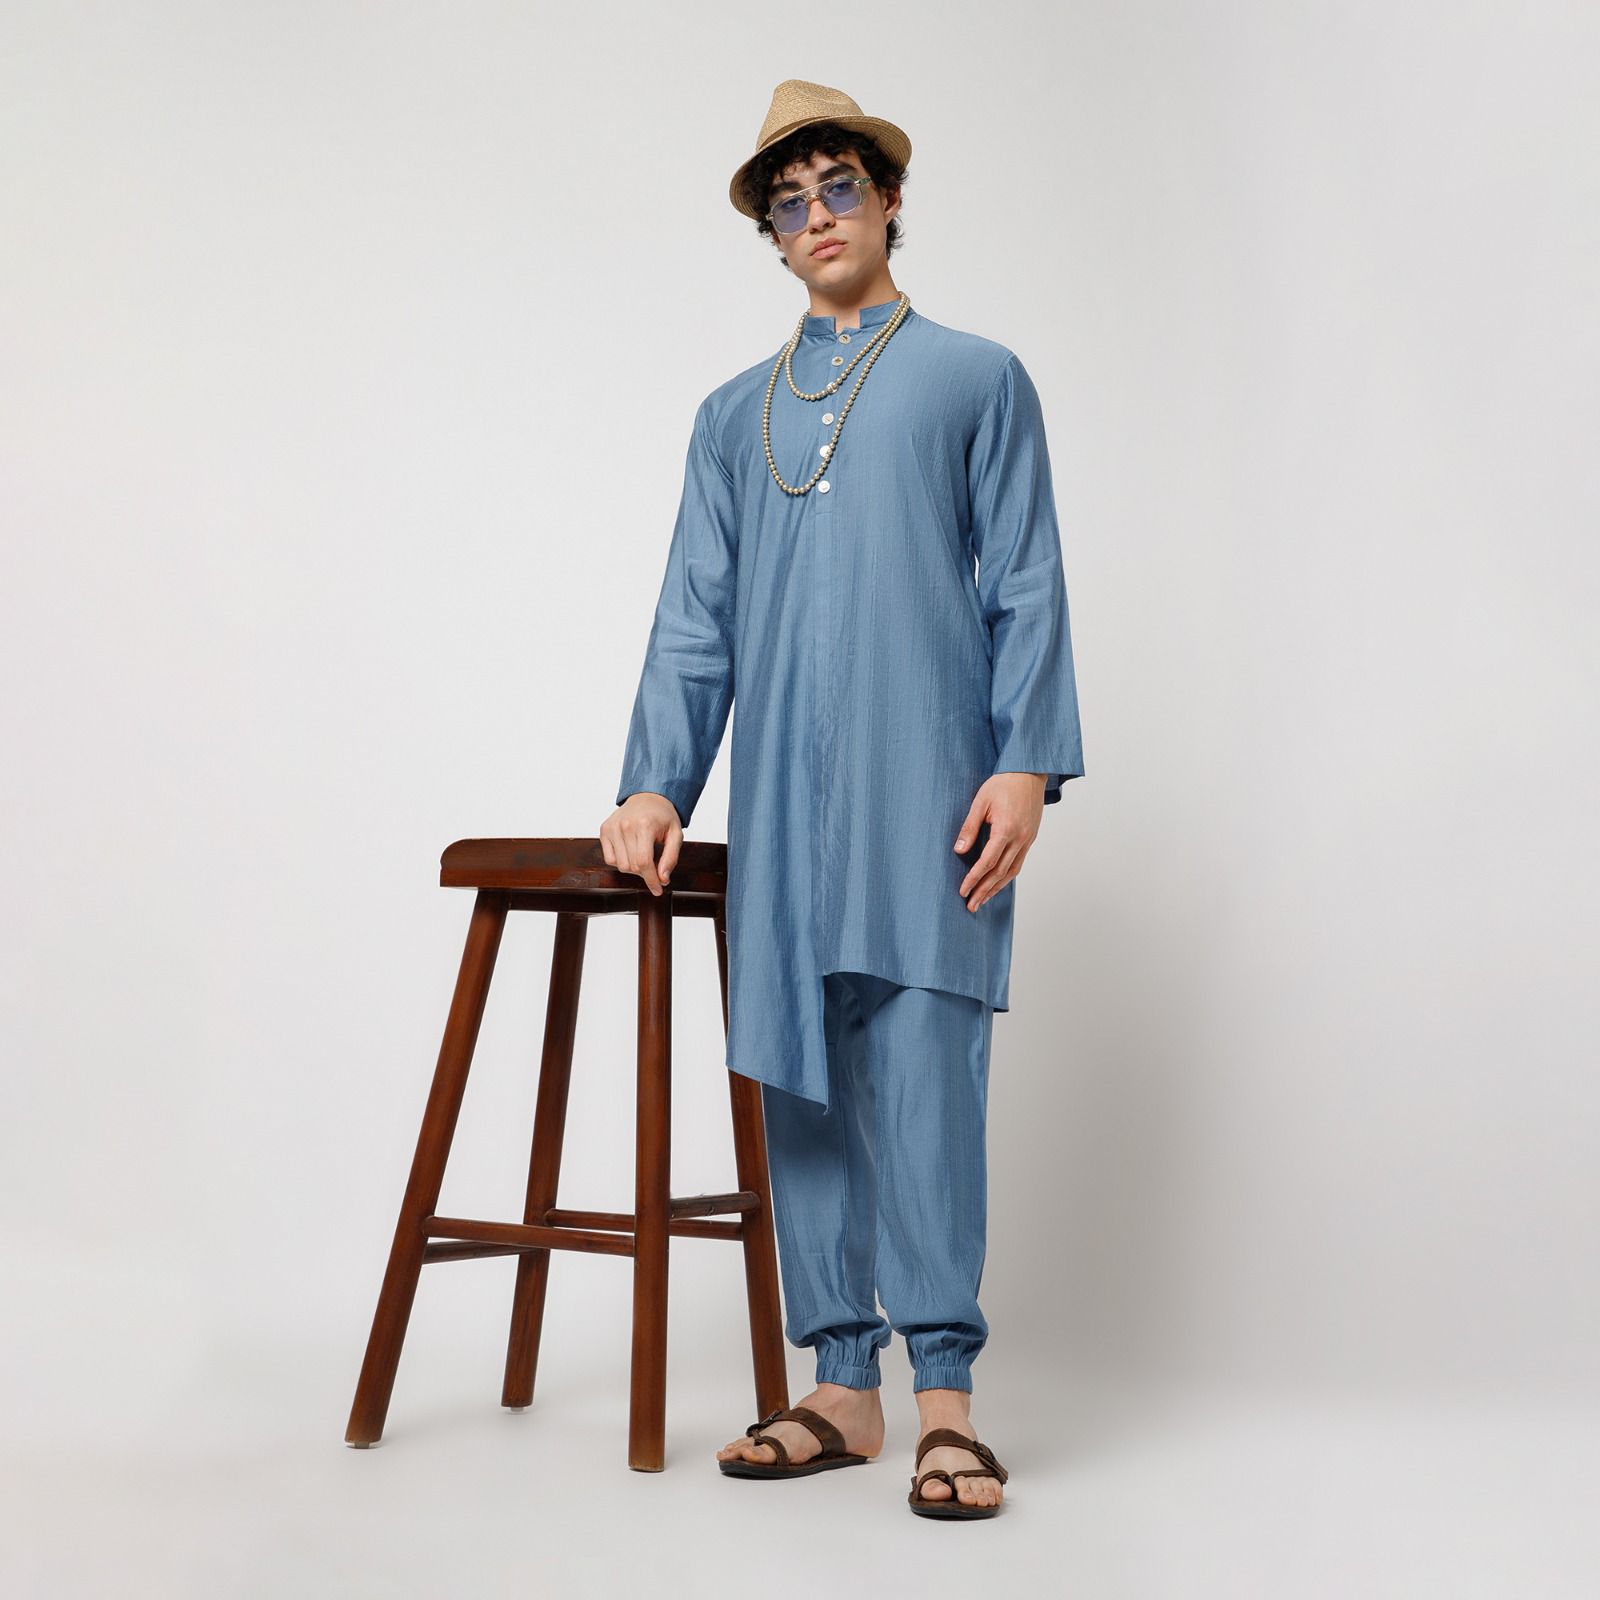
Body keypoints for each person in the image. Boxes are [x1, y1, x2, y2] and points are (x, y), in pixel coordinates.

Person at [598, 79, 1083, 1520]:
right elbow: (695, 617)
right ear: (771, 232)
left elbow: (1025, 578)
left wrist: (1026, 760)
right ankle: (840, 1390)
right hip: (782, 808)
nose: (817, 216)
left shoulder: (975, 379)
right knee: (795, 1076)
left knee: (927, 1075)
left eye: (839, 187)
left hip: (930, 790)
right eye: (789, 201)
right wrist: (653, 780)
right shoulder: (729, 417)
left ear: (887, 200)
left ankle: (947, 1404)